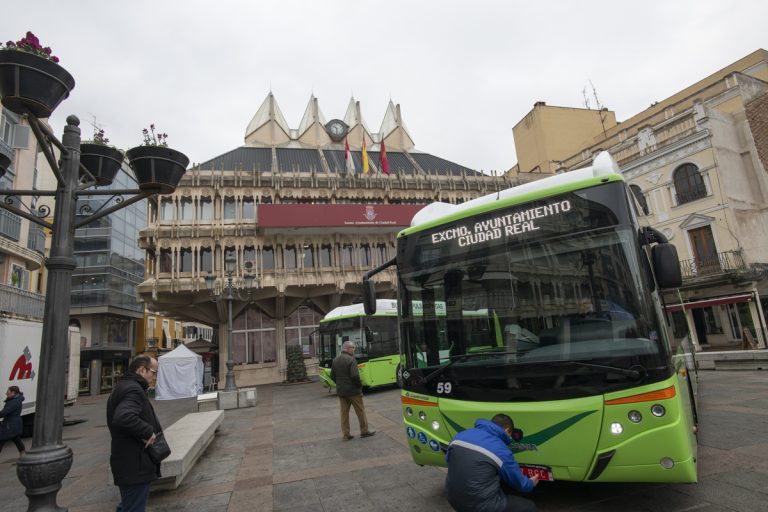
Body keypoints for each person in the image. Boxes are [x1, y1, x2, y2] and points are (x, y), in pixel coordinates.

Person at [445, 414, 539, 512]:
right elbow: (519, 483)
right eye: (510, 435)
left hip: (452, 498)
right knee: (529, 507)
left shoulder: (460, 436)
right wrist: (530, 483)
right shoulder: (500, 449)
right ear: (507, 430)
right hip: (480, 506)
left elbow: (448, 461)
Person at [106, 354, 163, 512]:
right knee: (134, 507)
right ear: (141, 370)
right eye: (153, 372)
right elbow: (124, 416)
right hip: (134, 463)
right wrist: (148, 431)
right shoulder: (133, 389)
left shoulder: (125, 386)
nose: (154, 376)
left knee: (128, 505)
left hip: (129, 461)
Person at [330, 340, 375, 440]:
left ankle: (346, 434)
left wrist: (340, 384)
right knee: (360, 411)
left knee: (344, 414)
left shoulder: (336, 360)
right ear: (347, 348)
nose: (354, 350)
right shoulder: (351, 360)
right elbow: (355, 376)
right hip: (353, 391)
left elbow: (332, 375)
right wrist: (359, 386)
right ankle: (364, 431)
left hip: (342, 391)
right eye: (353, 348)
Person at [0, 386, 26, 456]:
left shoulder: (14, 402)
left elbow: (5, 412)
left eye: (8, 392)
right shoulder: (16, 400)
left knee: (1, 438)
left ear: (13, 392)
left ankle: (23, 453)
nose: (6, 393)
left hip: (10, 424)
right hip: (14, 423)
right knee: (16, 438)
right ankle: (23, 453)